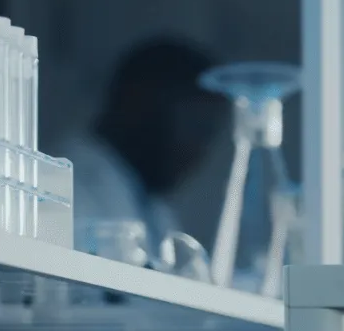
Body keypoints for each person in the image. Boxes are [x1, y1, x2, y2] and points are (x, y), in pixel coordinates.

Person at [58, 38, 222, 255]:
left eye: (209, 134)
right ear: (137, 101)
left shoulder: (155, 209)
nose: (200, 150)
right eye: (196, 126)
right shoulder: (65, 184)